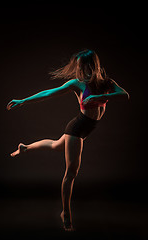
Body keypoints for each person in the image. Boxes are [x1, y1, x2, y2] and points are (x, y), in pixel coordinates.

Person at [7, 49, 129, 231]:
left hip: (87, 129)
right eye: (79, 67)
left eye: (84, 66)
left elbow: (124, 95)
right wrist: (23, 100)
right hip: (77, 129)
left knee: (56, 145)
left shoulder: (106, 83)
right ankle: (66, 213)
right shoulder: (77, 84)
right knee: (71, 173)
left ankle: (25, 147)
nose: (81, 70)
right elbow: (49, 92)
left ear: (93, 65)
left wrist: (100, 96)